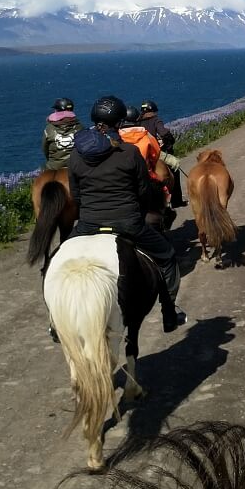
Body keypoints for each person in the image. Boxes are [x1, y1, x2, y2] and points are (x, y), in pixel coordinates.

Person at [67, 95, 186, 333]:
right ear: (120, 123)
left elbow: (76, 196)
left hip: (88, 224)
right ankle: (169, 311)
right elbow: (143, 193)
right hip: (128, 223)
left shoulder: (76, 155)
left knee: (55, 260)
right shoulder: (130, 153)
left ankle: (54, 322)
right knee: (167, 256)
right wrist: (136, 215)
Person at [120, 106, 181, 230]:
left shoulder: (117, 137)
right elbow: (155, 154)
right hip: (146, 175)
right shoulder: (146, 135)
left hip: (124, 177)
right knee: (174, 166)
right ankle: (171, 203)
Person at [139, 99, 186, 207]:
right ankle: (176, 200)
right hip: (153, 151)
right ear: (153, 111)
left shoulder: (138, 122)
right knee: (175, 168)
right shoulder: (156, 120)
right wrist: (169, 142)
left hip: (140, 153)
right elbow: (164, 133)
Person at [42, 97, 83, 170]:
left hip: (54, 166)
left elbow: (45, 149)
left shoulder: (49, 129)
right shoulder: (80, 127)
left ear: (57, 110)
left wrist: (51, 161)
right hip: (75, 164)